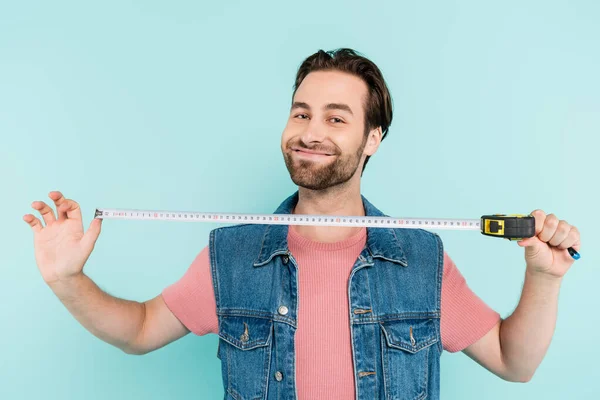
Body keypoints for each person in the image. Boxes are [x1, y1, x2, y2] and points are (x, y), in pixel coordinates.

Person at [24, 48, 581, 400]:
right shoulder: (233, 255)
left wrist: (545, 277)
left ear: (372, 139)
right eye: (301, 112)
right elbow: (141, 330)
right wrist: (66, 280)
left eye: (337, 118)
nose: (310, 131)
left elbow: (515, 362)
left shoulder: (421, 259)